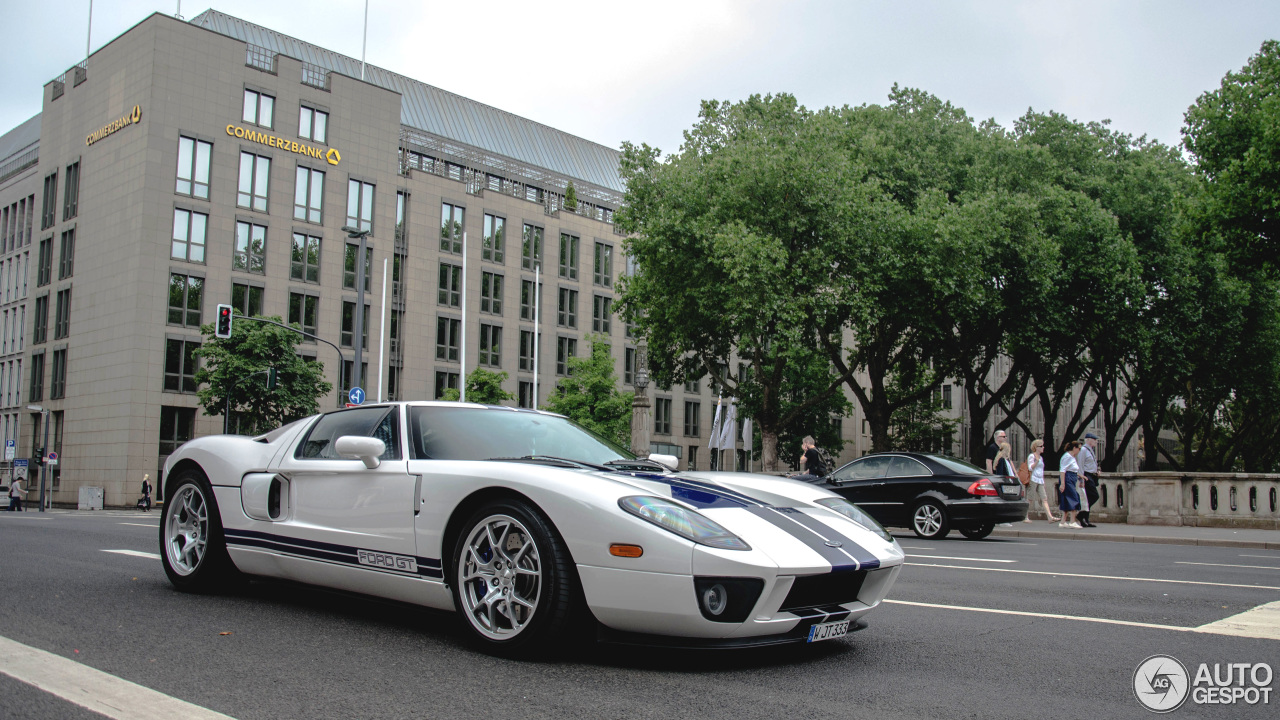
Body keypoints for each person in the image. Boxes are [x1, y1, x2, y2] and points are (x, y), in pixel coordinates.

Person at [1023, 439, 1058, 523]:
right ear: (1036, 447)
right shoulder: (1032, 456)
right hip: (1033, 479)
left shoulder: (1041, 457)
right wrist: (1037, 461)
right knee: (1030, 499)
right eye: (1041, 446)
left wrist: (1042, 479)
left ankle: (1050, 517)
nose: (1043, 447)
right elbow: (1030, 467)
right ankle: (1025, 516)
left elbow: (1041, 470)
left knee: (1044, 498)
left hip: (1040, 480)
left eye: (1043, 446)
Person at [1058, 441, 1084, 528]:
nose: (1079, 451)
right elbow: (1063, 470)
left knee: (1067, 499)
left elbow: (1072, 469)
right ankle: (1072, 521)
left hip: (1071, 478)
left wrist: (1079, 475)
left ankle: (1063, 521)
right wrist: (1062, 483)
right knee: (1074, 498)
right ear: (1074, 448)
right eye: (1079, 448)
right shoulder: (1067, 457)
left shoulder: (1072, 457)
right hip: (1068, 479)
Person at [1077, 433, 1100, 527]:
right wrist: (1081, 479)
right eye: (1094, 440)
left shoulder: (1090, 450)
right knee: (1094, 496)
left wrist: (1097, 470)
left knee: (1088, 498)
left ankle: (1085, 519)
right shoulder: (1083, 450)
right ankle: (1081, 515)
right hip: (1086, 476)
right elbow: (1080, 465)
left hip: (1092, 475)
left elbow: (1092, 463)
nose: (1096, 441)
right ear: (1088, 440)